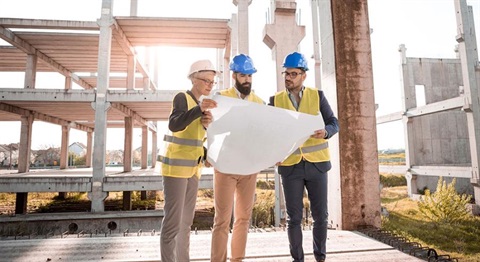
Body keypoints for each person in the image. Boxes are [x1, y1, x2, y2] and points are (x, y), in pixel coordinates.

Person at [268, 51, 339, 262]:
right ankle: (297, 260)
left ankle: (320, 258)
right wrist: (273, 153)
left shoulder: (317, 96)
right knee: (294, 219)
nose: (288, 77)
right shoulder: (275, 100)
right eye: (286, 74)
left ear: (303, 76)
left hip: (317, 165)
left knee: (320, 217)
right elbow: (268, 132)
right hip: (290, 167)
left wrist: (325, 132)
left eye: (293, 73)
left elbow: (334, 123)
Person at [159, 59, 219, 262]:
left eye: (213, 81)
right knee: (173, 224)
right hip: (175, 170)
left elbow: (193, 141)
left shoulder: (201, 106)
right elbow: (175, 125)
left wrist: (206, 154)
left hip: (193, 170)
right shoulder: (182, 98)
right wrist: (198, 111)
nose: (210, 84)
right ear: (194, 79)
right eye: (206, 80)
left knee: (186, 224)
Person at [210, 54, 265, 262]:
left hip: (249, 168)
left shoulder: (259, 102)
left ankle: (237, 259)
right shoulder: (220, 98)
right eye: (243, 75)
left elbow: (264, 133)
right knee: (222, 220)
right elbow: (211, 129)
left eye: (250, 76)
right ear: (234, 75)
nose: (247, 80)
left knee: (243, 219)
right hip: (225, 166)